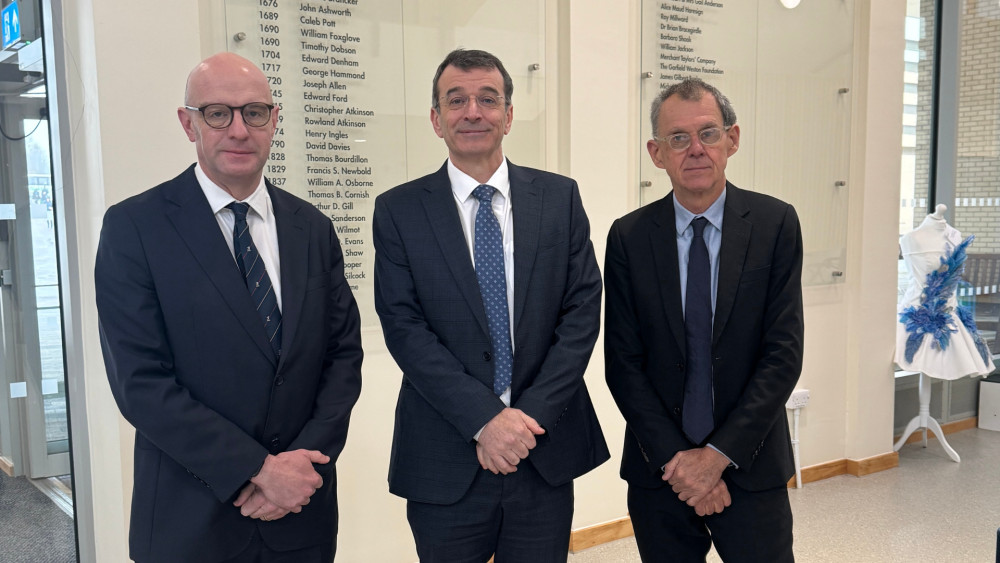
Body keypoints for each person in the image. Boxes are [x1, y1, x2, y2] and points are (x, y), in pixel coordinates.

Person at [95, 52, 363, 563]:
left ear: (274, 120)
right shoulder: (135, 228)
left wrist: (300, 472)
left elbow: (342, 358)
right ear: (188, 123)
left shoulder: (313, 229)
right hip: (191, 522)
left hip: (301, 517)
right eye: (218, 113)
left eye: (254, 113)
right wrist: (260, 470)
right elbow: (140, 382)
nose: (239, 129)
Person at [373, 48, 609, 562]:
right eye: (456, 100)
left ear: (508, 114)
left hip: (541, 446)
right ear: (437, 120)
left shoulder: (559, 198)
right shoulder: (398, 210)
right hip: (444, 450)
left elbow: (582, 312)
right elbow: (404, 327)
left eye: (488, 99)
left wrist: (524, 421)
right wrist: (486, 421)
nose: (472, 111)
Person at [604, 78, 804, 562]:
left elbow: (782, 355)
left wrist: (715, 459)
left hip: (751, 465)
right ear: (656, 152)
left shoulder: (775, 224)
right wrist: (682, 463)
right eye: (678, 138)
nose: (695, 149)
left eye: (708, 133)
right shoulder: (629, 237)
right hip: (660, 470)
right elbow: (623, 364)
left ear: (731, 140)